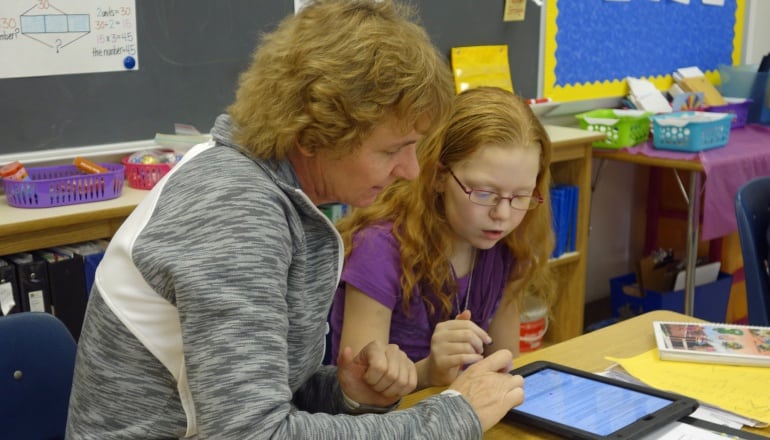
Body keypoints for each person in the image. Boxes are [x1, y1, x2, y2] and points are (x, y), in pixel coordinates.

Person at [65, 1, 524, 439]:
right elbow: (254, 432)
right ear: (313, 135)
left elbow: (262, 396)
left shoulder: (260, 184)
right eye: (391, 150)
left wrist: (345, 394)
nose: (412, 170)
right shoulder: (236, 213)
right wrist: (451, 418)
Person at [330, 86, 556, 390]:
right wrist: (429, 372)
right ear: (438, 177)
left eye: (521, 195)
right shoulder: (379, 248)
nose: (502, 214)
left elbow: (504, 366)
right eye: (485, 193)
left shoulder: (508, 246)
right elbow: (355, 391)